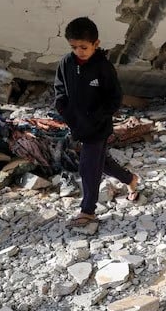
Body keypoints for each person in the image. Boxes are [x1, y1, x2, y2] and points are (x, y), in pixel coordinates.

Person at [54, 16, 140, 228]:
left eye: (83, 47)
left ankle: (88, 210)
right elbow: (59, 88)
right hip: (77, 123)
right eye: (74, 47)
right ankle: (130, 179)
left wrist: (99, 115)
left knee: (88, 167)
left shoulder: (103, 67)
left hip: (98, 125)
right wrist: (63, 109)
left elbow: (114, 97)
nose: (79, 51)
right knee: (101, 163)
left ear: (96, 44)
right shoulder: (67, 62)